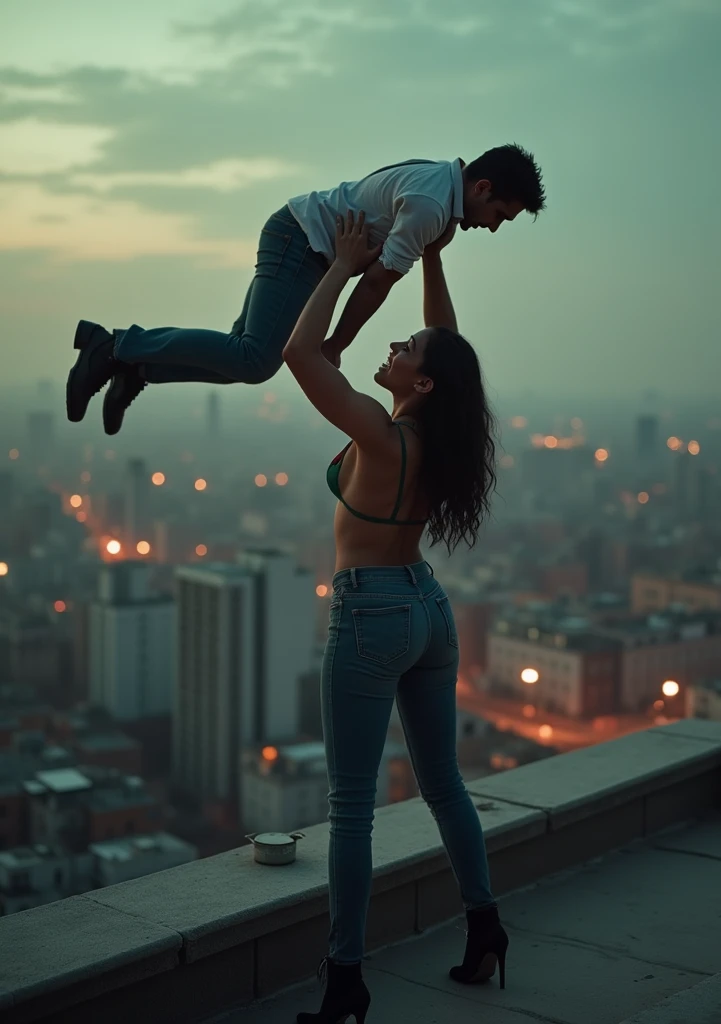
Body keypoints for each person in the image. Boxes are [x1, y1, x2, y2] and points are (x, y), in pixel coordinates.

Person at [283, 209, 506, 1024]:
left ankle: (345, 981)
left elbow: (300, 354)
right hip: (427, 608)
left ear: (418, 385)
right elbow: (450, 356)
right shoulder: (437, 435)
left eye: (403, 351)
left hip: (371, 612)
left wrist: (341, 266)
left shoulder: (383, 437)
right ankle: (485, 926)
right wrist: (432, 265)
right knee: (444, 784)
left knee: (350, 808)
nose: (394, 348)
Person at [65, 144, 544, 435]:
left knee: (241, 359)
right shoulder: (431, 204)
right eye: (501, 215)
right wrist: (336, 344)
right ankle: (114, 346)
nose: (495, 228)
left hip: (305, 244)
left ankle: (137, 367)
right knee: (254, 359)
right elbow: (377, 281)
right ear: (481, 188)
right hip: (301, 244)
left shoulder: (439, 184)